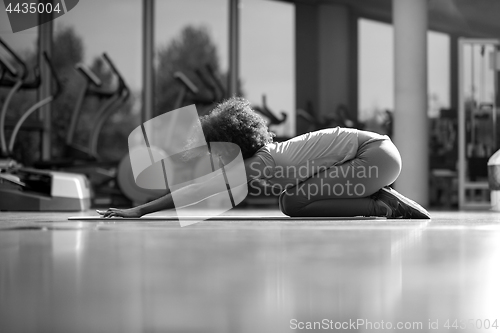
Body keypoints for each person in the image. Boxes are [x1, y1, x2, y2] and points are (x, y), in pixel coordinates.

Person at [98, 97, 430, 219]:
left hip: (373, 156)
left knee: (294, 203)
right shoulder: (264, 157)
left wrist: (140, 209)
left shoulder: (260, 163)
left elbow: (198, 190)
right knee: (292, 199)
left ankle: (385, 206)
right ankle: (379, 199)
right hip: (376, 154)